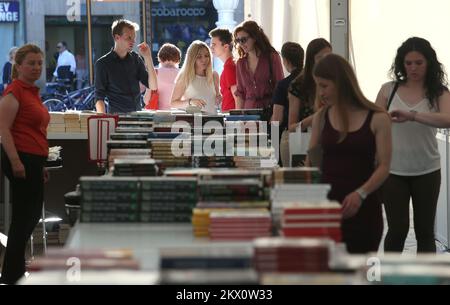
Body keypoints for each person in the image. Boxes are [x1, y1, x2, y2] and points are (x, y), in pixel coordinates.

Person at [309, 54, 392, 254]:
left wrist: (360, 194)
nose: (320, 93)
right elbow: (312, 163)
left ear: (341, 83)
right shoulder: (321, 117)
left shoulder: (378, 118)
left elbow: (384, 166)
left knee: (368, 272)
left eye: (324, 86)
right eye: (318, 86)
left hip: (365, 209)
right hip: (328, 208)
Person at [375, 37, 450, 253]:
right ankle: (389, 277)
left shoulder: (438, 92)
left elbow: (447, 119)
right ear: (401, 64)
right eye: (408, 63)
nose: (413, 68)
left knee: (425, 232)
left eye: (419, 62)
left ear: (429, 63)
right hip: (392, 170)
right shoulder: (388, 89)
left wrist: (412, 115)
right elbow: (372, 121)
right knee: (397, 229)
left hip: (427, 169)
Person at [0, 44, 50, 284]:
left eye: (39, 63)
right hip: (21, 159)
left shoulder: (32, 91)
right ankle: (11, 275)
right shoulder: (15, 91)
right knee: (24, 219)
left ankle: (14, 272)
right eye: (31, 63)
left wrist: (40, 166)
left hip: (32, 161)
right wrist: (16, 162)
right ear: (18, 66)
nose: (36, 67)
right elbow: (4, 130)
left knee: (28, 218)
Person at [95, 19, 157, 114]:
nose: (133, 41)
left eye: (134, 38)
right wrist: (104, 120)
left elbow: (153, 86)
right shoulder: (103, 63)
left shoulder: (136, 59)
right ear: (116, 37)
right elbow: (99, 97)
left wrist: (148, 57)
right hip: (117, 118)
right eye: (128, 38)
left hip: (138, 117)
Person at [233, 20, 284, 110]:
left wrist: (277, 115)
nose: (241, 44)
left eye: (243, 40)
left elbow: (279, 87)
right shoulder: (240, 63)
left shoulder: (272, 57)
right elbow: (240, 93)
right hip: (249, 113)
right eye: (238, 41)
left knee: (274, 124)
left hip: (270, 110)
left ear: (254, 37)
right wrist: (239, 118)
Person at [271, 42, 305, 166]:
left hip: (291, 136)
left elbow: (277, 119)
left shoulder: (283, 85)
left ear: (285, 60)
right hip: (313, 134)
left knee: (292, 178)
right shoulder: (313, 80)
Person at [288, 38, 332, 132]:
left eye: (329, 57)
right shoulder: (298, 85)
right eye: (320, 58)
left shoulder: (336, 81)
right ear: (311, 60)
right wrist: (312, 120)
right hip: (307, 137)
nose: (325, 62)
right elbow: (291, 127)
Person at [171, 40, 220, 114]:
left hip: (213, 121)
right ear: (192, 59)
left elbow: (217, 96)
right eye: (199, 57)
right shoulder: (185, 76)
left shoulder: (214, 75)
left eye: (206, 56)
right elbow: (173, 103)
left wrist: (219, 98)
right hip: (193, 122)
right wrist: (190, 102)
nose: (204, 60)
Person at [144, 43, 181, 110]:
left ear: (160, 58)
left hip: (158, 114)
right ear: (178, 59)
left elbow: (146, 100)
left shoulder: (154, 73)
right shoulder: (182, 73)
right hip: (178, 113)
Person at [209, 28, 237, 112]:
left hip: (232, 118)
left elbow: (237, 96)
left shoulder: (230, 66)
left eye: (214, 44)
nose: (211, 47)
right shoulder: (229, 65)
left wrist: (239, 118)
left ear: (225, 46)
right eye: (211, 45)